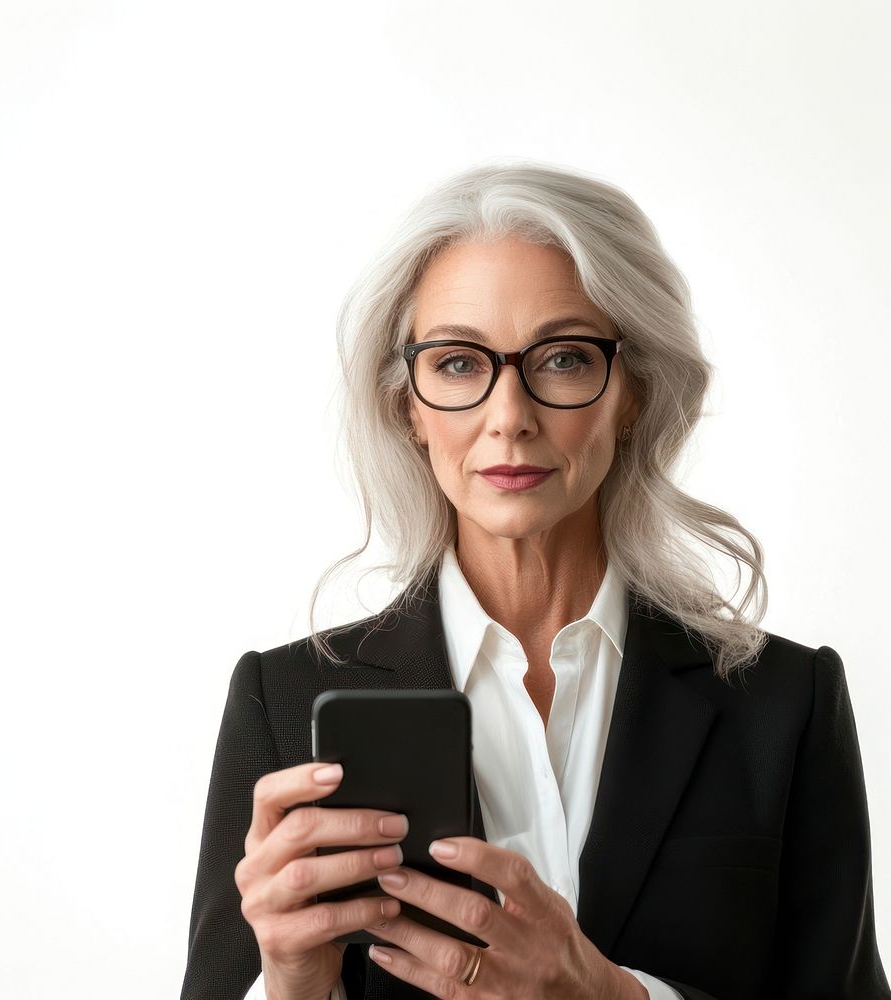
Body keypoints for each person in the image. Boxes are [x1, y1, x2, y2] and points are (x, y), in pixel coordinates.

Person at [178, 161, 890, 1000]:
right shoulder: (283, 700)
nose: (508, 415)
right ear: (406, 403)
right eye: (455, 363)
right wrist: (292, 982)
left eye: (561, 358)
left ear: (633, 393)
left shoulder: (783, 702)